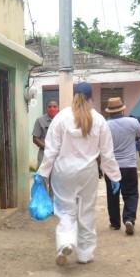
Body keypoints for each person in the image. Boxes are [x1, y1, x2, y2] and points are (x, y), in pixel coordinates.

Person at [34, 82, 122, 266]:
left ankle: (66, 242)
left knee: (66, 210)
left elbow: (51, 150)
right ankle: (85, 254)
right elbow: (107, 154)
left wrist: (42, 174)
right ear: (91, 99)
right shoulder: (99, 119)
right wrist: (114, 176)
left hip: (63, 172)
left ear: (74, 96)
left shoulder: (61, 117)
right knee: (86, 211)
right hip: (88, 173)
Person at [104, 97, 140, 236]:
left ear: (109, 111)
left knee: (112, 195)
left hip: (111, 166)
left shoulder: (106, 125)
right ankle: (129, 219)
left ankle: (115, 224)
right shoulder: (132, 122)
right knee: (131, 193)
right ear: (122, 109)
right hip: (129, 165)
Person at [32, 98, 59, 169]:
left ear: (58, 108)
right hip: (44, 152)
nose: (52, 109)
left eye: (54, 106)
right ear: (46, 108)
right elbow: (35, 138)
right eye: (49, 107)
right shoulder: (40, 120)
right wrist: (48, 147)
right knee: (42, 173)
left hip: (59, 153)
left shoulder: (62, 119)